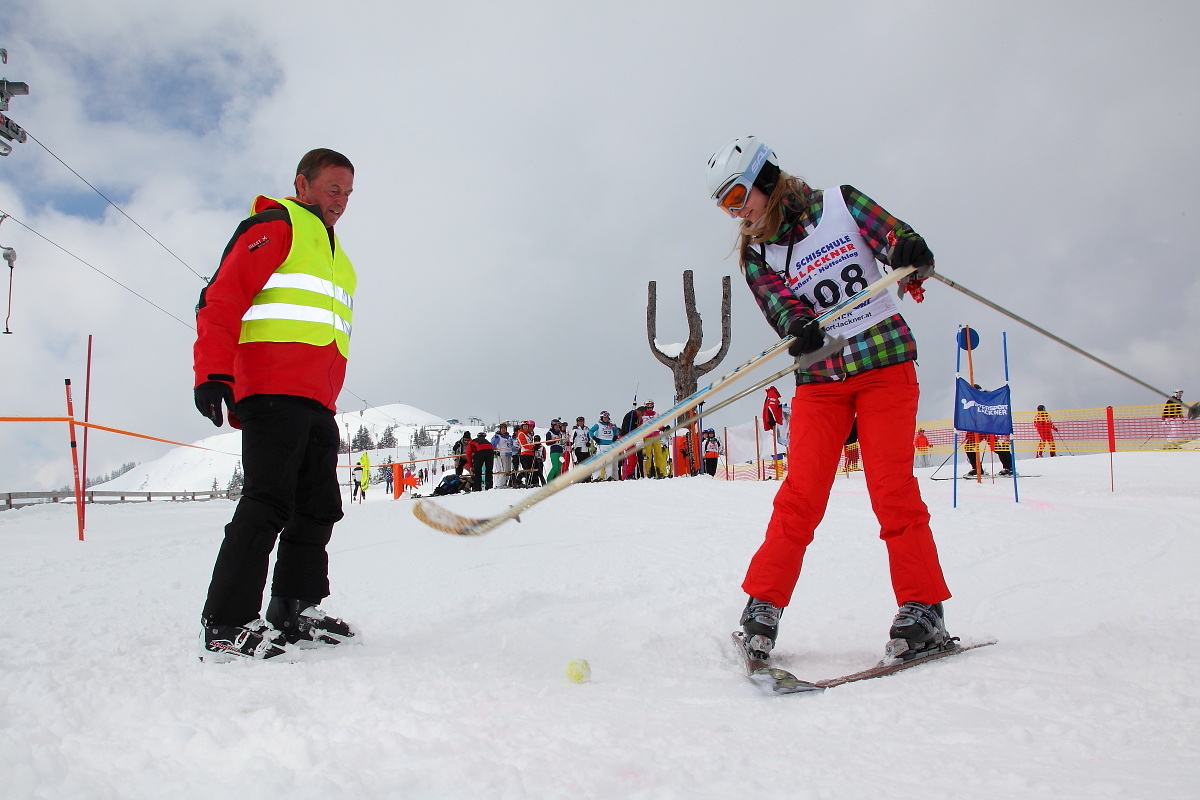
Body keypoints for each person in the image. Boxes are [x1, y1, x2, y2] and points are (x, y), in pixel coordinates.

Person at [707, 135, 952, 663]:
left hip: (884, 363)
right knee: (801, 494)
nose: (736, 212)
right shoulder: (757, 254)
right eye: (725, 205)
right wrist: (799, 326)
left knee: (891, 489)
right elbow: (781, 306)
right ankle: (763, 605)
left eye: (737, 196)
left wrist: (910, 251)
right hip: (822, 380)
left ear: (764, 178)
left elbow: (896, 239)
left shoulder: (840, 204)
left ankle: (923, 605)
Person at [192, 148, 359, 661]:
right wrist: (212, 372)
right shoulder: (276, 224)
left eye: (349, 195)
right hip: (271, 391)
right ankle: (225, 623)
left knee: (318, 507)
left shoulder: (337, 256)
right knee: (267, 503)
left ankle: (293, 607)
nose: (341, 203)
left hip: (316, 401)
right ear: (302, 184)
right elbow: (220, 298)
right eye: (333, 190)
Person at [640, 399, 670, 478]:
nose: (650, 407)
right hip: (647, 437)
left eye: (651, 405)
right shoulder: (642, 415)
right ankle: (648, 473)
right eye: (648, 405)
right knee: (648, 456)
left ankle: (660, 472)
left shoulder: (656, 414)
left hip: (656, 436)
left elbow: (659, 425)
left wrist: (664, 428)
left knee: (658, 454)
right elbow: (640, 426)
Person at [588, 412, 619, 480]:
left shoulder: (611, 425)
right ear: (602, 418)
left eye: (607, 418)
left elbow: (615, 431)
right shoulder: (598, 425)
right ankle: (596, 477)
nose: (606, 419)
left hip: (609, 445)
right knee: (600, 462)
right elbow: (590, 431)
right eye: (604, 418)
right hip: (601, 445)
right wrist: (595, 438)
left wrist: (615, 436)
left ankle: (608, 476)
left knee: (609, 462)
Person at [490, 423, 515, 488]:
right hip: (501, 454)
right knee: (503, 469)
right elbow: (492, 445)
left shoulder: (509, 437)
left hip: (509, 454)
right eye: (502, 428)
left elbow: (511, 445)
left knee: (508, 469)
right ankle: (500, 484)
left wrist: (515, 449)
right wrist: (495, 451)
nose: (503, 430)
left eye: (504, 428)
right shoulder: (497, 436)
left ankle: (506, 482)